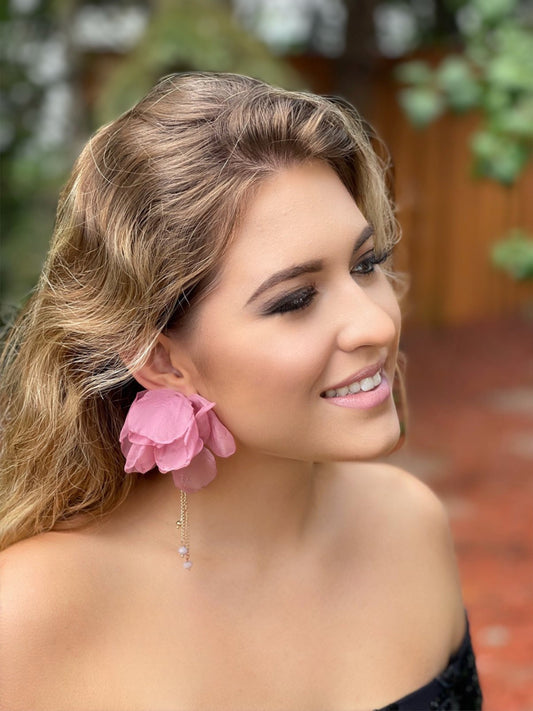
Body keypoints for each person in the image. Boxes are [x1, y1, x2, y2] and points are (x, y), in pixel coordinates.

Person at [0, 72, 482, 710]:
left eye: (365, 264)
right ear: (164, 360)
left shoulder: (409, 524)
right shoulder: (33, 611)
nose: (377, 323)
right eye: (295, 300)